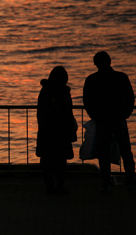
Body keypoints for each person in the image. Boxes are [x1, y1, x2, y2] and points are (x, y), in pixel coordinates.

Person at [83, 51, 136, 193]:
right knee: (126, 151)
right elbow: (130, 97)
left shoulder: (92, 80)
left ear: (96, 64)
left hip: (102, 120)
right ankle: (131, 182)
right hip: (119, 119)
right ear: (110, 61)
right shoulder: (121, 77)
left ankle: (107, 183)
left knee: (104, 153)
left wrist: (94, 115)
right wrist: (126, 113)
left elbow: (87, 101)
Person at [36, 66, 77, 195]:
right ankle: (60, 186)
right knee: (60, 160)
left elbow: (40, 112)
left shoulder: (44, 91)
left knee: (46, 160)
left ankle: (49, 187)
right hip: (61, 131)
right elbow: (67, 113)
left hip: (46, 131)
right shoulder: (64, 92)